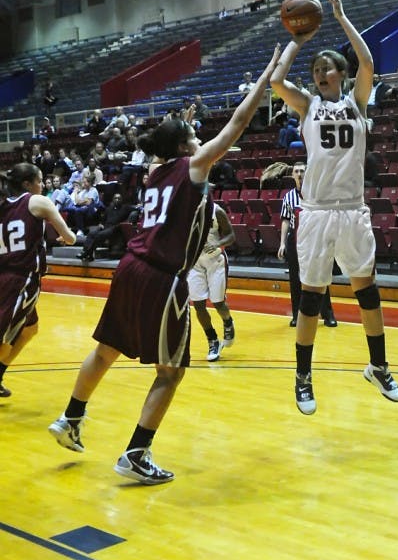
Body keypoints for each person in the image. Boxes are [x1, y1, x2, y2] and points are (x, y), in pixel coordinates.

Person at [48, 45, 281, 484]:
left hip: (129, 267)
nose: (201, 139)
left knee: (106, 350)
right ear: (184, 146)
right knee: (170, 372)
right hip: (161, 277)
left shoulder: (155, 172)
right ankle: (136, 453)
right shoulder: (189, 168)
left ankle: (70, 417)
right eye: (195, 135)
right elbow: (238, 124)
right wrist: (269, 72)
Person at [270, 0, 398, 415]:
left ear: (340, 73)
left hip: (352, 212)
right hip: (317, 213)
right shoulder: (307, 106)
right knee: (311, 296)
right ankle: (303, 377)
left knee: (367, 292)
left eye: (327, 68)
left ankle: (379, 366)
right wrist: (297, 42)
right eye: (315, 71)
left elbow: (367, 60)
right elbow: (275, 82)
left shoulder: (358, 103)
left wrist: (341, 17)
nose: (320, 74)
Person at [0, 162, 76, 398]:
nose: (42, 185)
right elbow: (70, 237)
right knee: (4, 337)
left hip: (4, 275)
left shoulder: (3, 207)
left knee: (30, 329)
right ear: (27, 184)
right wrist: (68, 238)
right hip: (22, 280)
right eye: (40, 181)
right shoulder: (37, 201)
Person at [277, 160, 336, 328]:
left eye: (302, 171)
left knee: (321, 276)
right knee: (295, 279)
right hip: (294, 240)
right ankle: (297, 315)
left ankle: (328, 314)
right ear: (292, 174)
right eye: (296, 171)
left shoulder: (316, 193)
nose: (300, 174)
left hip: (315, 239)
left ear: (307, 173)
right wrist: (282, 243)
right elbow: (285, 221)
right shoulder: (288, 196)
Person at [188, 204, 236, 361]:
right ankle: (212, 339)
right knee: (198, 305)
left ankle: (228, 321)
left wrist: (217, 243)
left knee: (218, 303)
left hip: (215, 260)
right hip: (194, 263)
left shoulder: (217, 211)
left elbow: (231, 236)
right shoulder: (184, 210)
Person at [78, 192, 135, 262]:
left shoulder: (125, 208)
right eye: (115, 198)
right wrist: (101, 224)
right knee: (91, 234)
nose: (117, 200)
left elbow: (137, 209)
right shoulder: (108, 209)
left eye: (119, 198)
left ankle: (87, 253)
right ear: (113, 199)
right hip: (105, 227)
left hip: (115, 228)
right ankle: (86, 252)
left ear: (122, 200)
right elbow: (103, 220)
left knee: (99, 235)